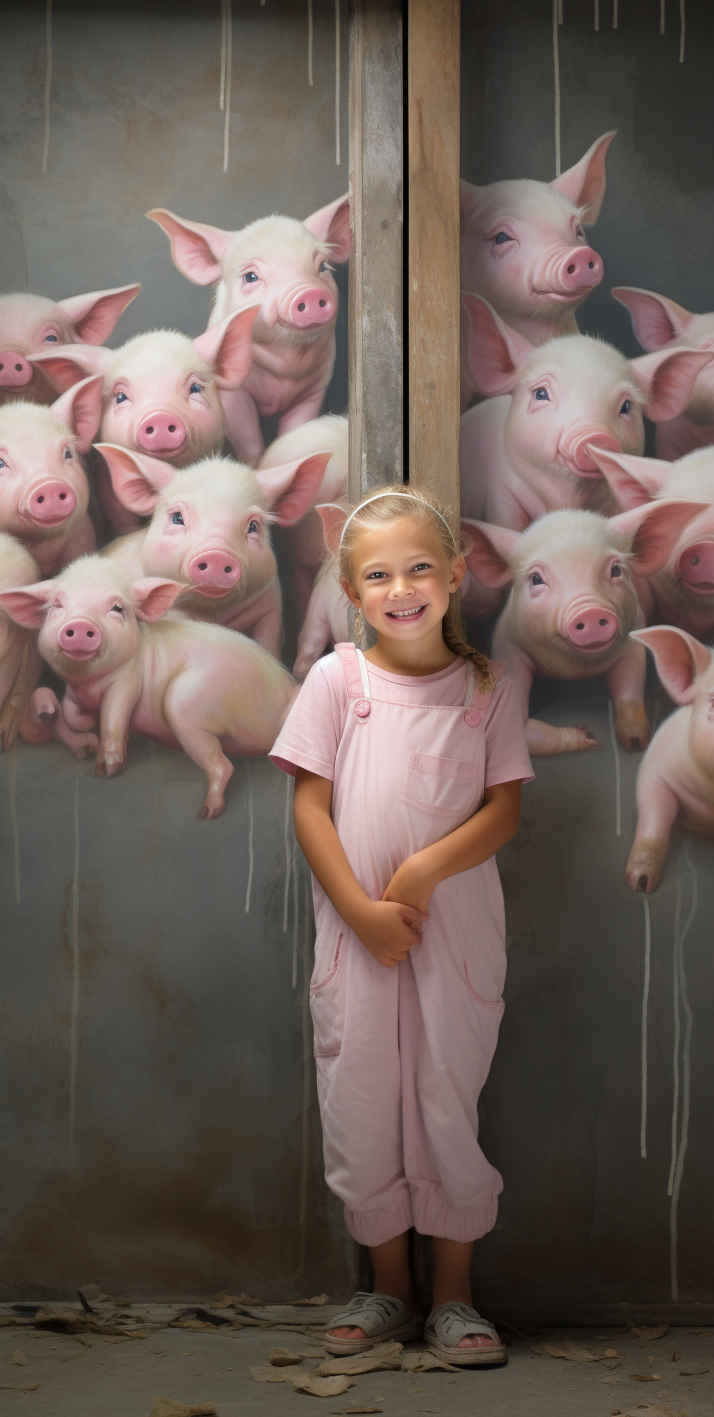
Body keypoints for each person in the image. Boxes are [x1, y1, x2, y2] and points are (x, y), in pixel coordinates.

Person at [270, 485, 533, 1366]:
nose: (402, 586)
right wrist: (357, 909)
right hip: (359, 939)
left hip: (453, 939)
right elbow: (311, 805)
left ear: (457, 576)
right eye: (378, 574)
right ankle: (390, 1286)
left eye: (422, 566)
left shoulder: (490, 686)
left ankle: (455, 1296)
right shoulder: (338, 680)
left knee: (446, 1101)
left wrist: (422, 870)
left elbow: (501, 814)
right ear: (351, 591)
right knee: (361, 1101)